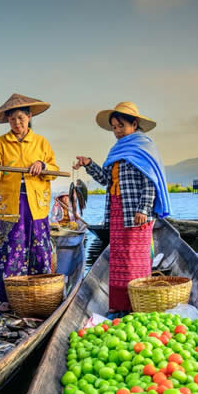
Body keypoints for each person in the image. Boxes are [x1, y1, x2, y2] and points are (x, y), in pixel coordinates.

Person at [74, 101, 171, 312]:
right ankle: (119, 306)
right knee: (119, 259)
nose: (117, 131)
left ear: (134, 124)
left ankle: (138, 305)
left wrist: (143, 209)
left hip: (137, 213)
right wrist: (89, 164)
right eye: (114, 127)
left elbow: (150, 181)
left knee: (135, 260)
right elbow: (106, 179)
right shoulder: (117, 150)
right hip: (117, 211)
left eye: (121, 126)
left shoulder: (144, 147)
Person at [0, 93, 59, 310]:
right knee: (12, 248)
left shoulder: (41, 142)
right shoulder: (0, 143)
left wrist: (42, 165)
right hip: (10, 204)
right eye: (12, 120)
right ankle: (10, 299)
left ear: (29, 117)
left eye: (20, 118)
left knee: (39, 246)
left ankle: (42, 294)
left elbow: (54, 170)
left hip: (36, 204)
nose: (16, 123)